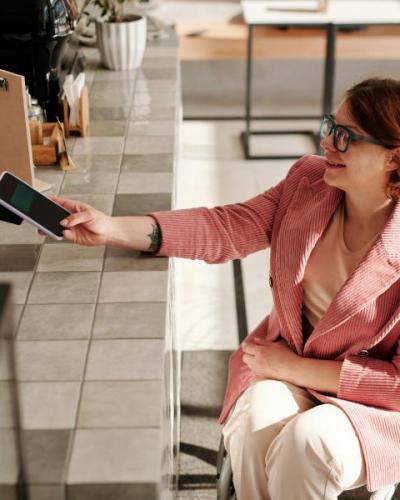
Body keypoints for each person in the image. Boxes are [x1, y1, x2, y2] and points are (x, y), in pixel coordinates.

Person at [52, 78, 400, 499]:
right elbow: (227, 227)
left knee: (309, 442)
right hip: (284, 365)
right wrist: (109, 228)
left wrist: (293, 369)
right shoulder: (308, 182)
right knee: (254, 422)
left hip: (373, 408)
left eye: (345, 136)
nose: (327, 141)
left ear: (393, 157)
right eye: (330, 125)